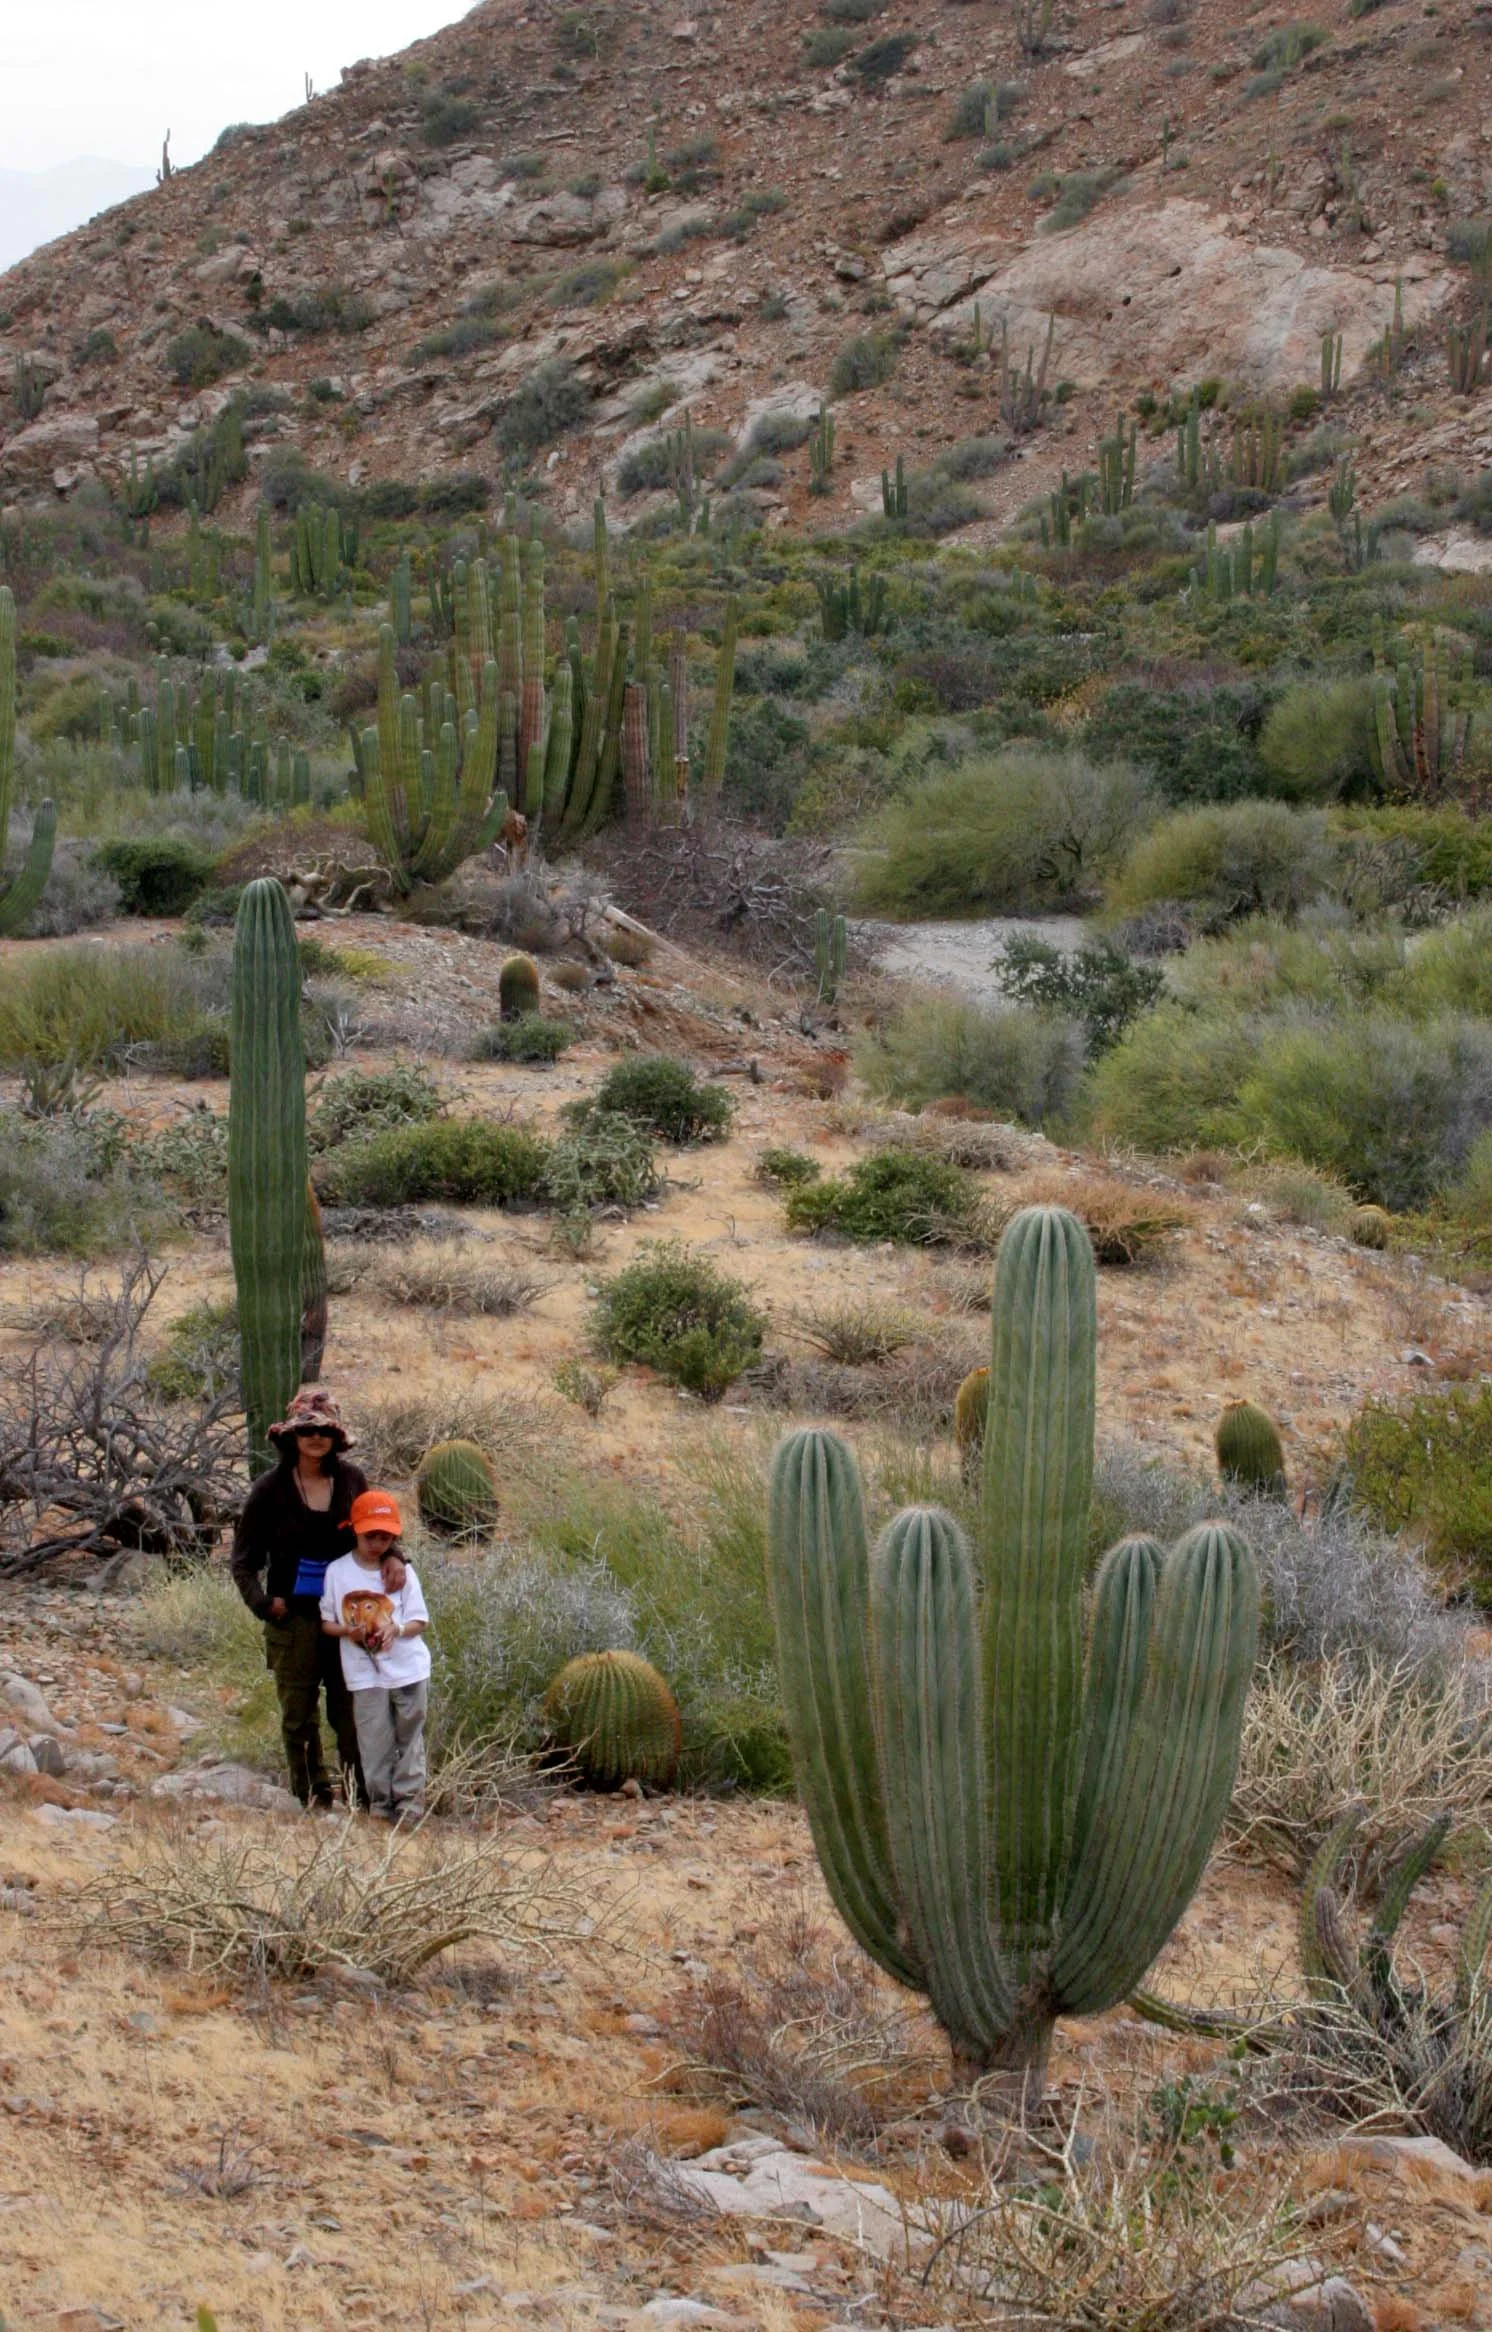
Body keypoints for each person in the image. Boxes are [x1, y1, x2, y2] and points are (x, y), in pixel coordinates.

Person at [230, 1388, 402, 1810]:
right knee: (298, 1714)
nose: (316, 1437)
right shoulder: (269, 1490)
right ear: (291, 1437)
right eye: (307, 1429)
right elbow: (242, 1561)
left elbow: (376, 1529)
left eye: (325, 1430)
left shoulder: (351, 1481)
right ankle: (312, 1799)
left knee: (350, 1713)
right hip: (295, 1621)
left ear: (336, 1438)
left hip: (349, 1620)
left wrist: (395, 1555)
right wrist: (265, 1604)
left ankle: (362, 1799)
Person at [320, 1490, 431, 1824]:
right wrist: (347, 1631)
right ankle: (380, 1806)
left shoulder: (403, 1573)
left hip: (408, 1668)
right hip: (364, 1672)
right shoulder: (338, 1572)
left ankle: (410, 1805)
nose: (378, 1543)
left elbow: (419, 1620)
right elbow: (327, 1622)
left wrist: (395, 1628)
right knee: (373, 1742)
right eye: (371, 1536)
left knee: (410, 1738)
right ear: (355, 1530)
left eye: (386, 1537)